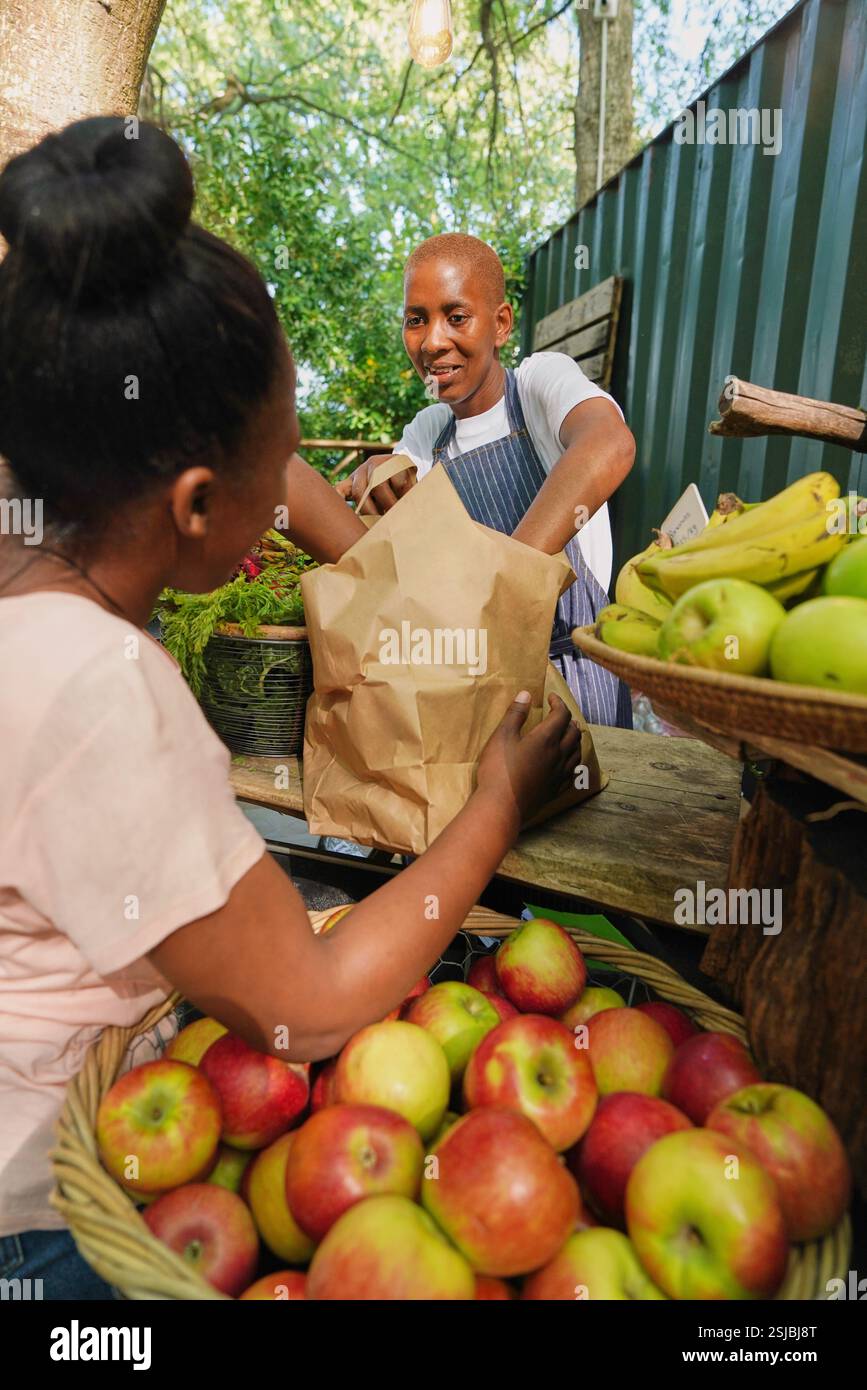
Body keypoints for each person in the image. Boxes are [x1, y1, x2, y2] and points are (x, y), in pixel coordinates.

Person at [0, 118, 580, 1299]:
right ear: (201, 502)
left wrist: (431, 590)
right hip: (42, 1212)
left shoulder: (32, 550)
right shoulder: (106, 693)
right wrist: (494, 807)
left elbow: (298, 504)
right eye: (281, 468)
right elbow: (303, 1014)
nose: (292, 494)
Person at [338, 234, 636, 727]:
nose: (433, 342)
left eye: (456, 317)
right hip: (480, 686)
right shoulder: (428, 432)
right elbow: (386, 534)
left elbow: (608, 445)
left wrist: (506, 586)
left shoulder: (540, 384)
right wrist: (375, 473)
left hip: (580, 680)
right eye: (416, 320)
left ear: (500, 324)